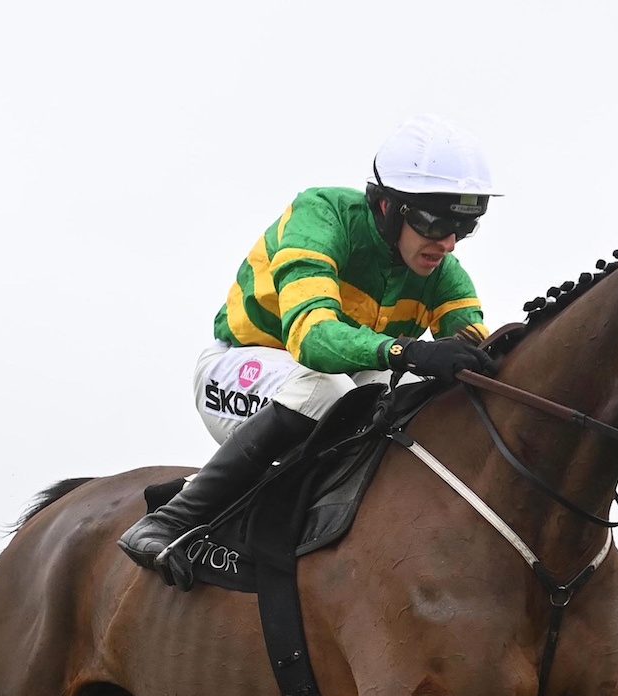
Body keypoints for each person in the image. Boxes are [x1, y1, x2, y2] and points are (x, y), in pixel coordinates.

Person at [120, 114, 500, 585]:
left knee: (400, 397)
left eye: (463, 227)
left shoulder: (444, 272)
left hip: (320, 385)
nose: (447, 243)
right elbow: (313, 339)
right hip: (238, 366)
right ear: (387, 206)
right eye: (435, 222)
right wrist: (410, 352)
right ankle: (168, 519)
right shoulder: (321, 215)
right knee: (335, 388)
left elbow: (480, 355)